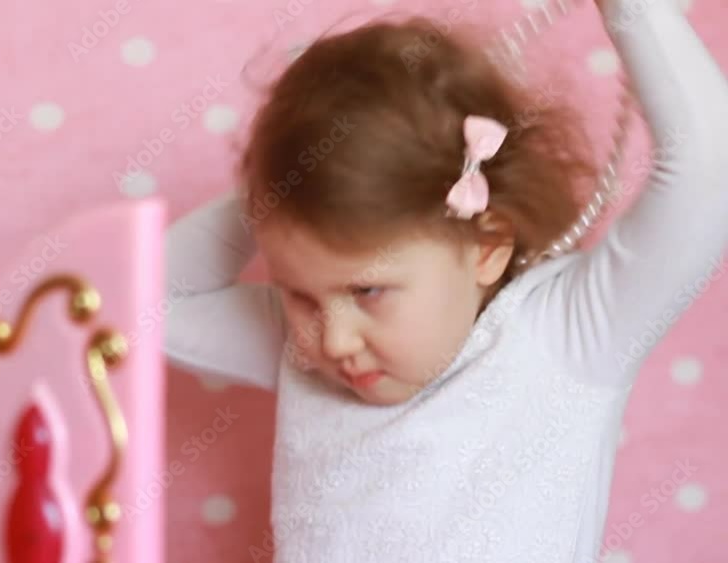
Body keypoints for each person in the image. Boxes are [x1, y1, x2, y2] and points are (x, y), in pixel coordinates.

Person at [163, 0, 728, 560]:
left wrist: (636, 12)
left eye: (368, 292)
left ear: (486, 247)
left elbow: (707, 174)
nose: (334, 340)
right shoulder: (303, 351)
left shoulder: (564, 335)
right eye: (298, 293)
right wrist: (287, 182)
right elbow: (148, 304)